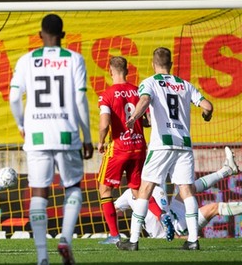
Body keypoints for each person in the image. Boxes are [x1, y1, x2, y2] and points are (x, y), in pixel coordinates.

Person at [9, 14, 94, 265]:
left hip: (36, 134)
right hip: (66, 132)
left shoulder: (27, 60)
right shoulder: (74, 59)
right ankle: (66, 239)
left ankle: (42, 259)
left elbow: (14, 97)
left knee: (38, 192)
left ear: (40, 35)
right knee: (73, 187)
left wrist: (22, 125)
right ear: (63, 35)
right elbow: (80, 100)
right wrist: (87, 136)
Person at [116, 47, 214, 251]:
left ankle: (133, 241)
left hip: (161, 144)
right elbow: (207, 106)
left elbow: (144, 101)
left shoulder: (150, 82)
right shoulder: (185, 85)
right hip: (184, 144)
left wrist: (133, 117)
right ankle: (193, 240)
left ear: (153, 64)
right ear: (171, 65)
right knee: (186, 190)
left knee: (145, 188)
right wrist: (206, 115)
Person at [96, 56, 166, 244]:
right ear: (127, 70)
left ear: (110, 71)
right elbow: (149, 121)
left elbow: (104, 123)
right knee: (137, 191)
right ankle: (163, 218)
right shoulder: (138, 90)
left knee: (105, 190)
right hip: (139, 147)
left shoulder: (107, 95)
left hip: (118, 148)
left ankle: (114, 235)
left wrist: (101, 141)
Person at [115, 146, 240, 239]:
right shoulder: (128, 194)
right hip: (175, 229)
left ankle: (227, 170)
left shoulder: (155, 188)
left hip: (173, 215)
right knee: (214, 207)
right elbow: (113, 209)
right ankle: (227, 170)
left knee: (188, 188)